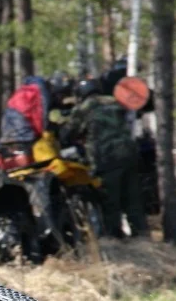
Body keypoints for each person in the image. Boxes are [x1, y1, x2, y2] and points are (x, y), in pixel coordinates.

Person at [60, 78, 148, 238]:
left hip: (107, 159)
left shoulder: (83, 108)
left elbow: (68, 134)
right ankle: (142, 238)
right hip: (130, 155)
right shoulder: (114, 101)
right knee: (133, 201)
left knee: (110, 203)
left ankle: (117, 241)